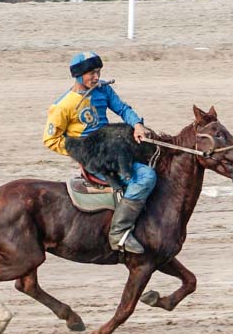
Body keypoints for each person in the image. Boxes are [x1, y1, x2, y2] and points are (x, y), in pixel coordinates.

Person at [43, 51, 153, 254]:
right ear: (78, 76)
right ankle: (119, 233)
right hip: (96, 160)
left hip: (116, 146)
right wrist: (84, 152)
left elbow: (122, 109)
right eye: (91, 73)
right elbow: (50, 139)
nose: (96, 77)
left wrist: (137, 124)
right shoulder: (62, 106)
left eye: (98, 72)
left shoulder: (103, 90)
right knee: (146, 177)